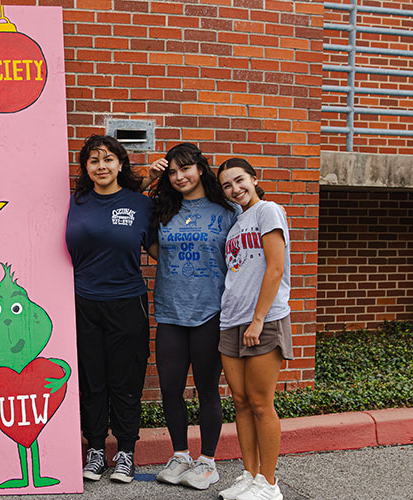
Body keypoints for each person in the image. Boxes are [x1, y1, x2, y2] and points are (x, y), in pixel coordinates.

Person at [145, 143, 237, 491]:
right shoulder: (163, 209)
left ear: (200, 169)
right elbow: (150, 242)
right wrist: (148, 179)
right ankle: (180, 455)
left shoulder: (226, 211)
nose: (179, 176)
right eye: (172, 171)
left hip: (209, 312)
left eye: (185, 169)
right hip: (170, 311)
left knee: (206, 388)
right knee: (170, 388)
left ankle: (208, 462)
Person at [65, 135, 154, 484]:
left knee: (125, 380)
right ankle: (97, 449)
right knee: (92, 380)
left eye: (108, 159)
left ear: (120, 164)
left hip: (127, 303)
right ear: (86, 168)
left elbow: (161, 249)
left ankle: (126, 453)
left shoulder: (140, 204)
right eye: (93, 160)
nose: (101, 166)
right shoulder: (76, 201)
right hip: (83, 302)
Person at [215, 158, 292, 500]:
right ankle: (250, 475)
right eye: (227, 185)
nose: (235, 189)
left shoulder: (268, 210)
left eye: (239, 180)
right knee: (242, 402)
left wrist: (259, 319)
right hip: (231, 319)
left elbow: (275, 268)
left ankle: (269, 484)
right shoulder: (236, 224)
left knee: (262, 403)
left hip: (264, 319)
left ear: (253, 178)